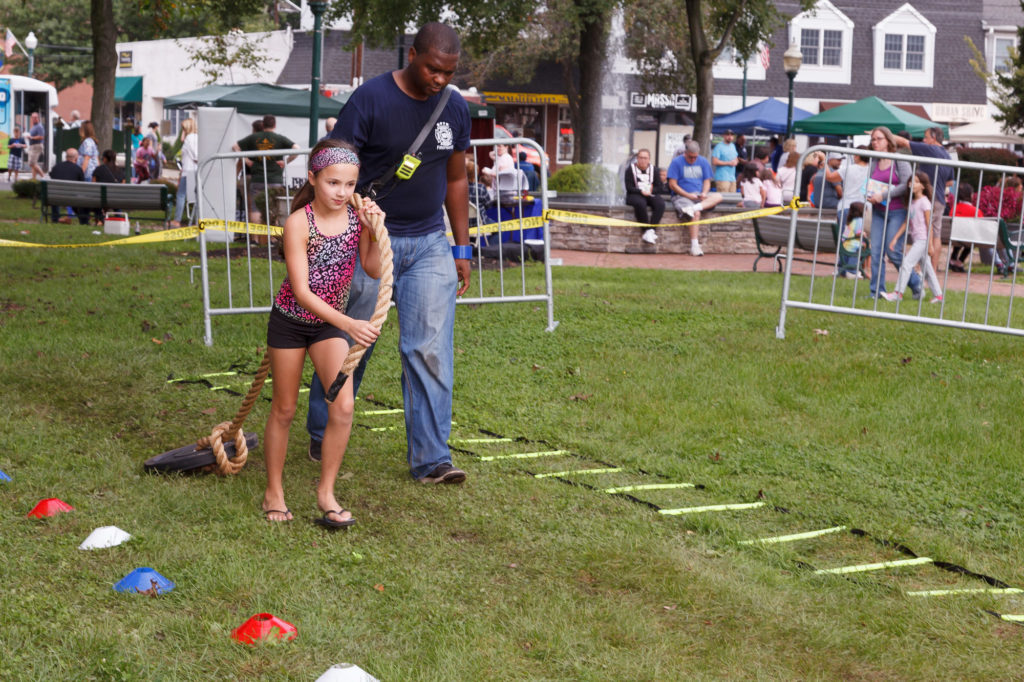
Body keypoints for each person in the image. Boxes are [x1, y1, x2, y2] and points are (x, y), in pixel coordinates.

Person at [310, 21, 472, 485]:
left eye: (449, 72)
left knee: (430, 349)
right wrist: (343, 221)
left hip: (429, 243)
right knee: (350, 344)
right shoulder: (371, 99)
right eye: (433, 68)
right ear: (413, 54)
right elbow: (331, 164)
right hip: (368, 240)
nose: (440, 79)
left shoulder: (454, 108)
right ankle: (322, 431)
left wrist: (461, 245)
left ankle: (432, 459)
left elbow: (456, 178)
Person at [262, 139, 384, 525]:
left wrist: (374, 231)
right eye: (333, 183)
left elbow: (373, 268)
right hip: (291, 322)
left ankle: (326, 492)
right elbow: (301, 291)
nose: (342, 192)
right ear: (313, 178)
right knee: (284, 408)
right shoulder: (299, 223)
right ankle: (274, 492)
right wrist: (349, 323)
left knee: (343, 407)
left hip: (328, 326)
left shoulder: (355, 218)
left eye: (349, 184)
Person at [866, 126, 919, 300]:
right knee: (876, 253)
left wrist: (884, 195)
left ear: (888, 141)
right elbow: (870, 182)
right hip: (878, 211)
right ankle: (876, 292)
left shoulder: (899, 160)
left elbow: (907, 184)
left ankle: (915, 283)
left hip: (897, 212)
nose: (875, 142)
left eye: (879, 139)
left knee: (893, 251)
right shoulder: (873, 161)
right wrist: (869, 194)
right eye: (873, 139)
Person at [893, 127, 954, 273]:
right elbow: (950, 182)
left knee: (922, 232)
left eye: (926, 137)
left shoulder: (929, 149)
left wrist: (884, 134)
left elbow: (904, 142)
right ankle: (932, 269)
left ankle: (921, 269)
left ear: (934, 138)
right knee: (936, 234)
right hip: (940, 199)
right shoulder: (947, 155)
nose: (924, 140)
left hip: (927, 198)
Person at [883, 171, 943, 303]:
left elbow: (929, 225)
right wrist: (895, 239)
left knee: (906, 264)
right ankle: (939, 296)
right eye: (911, 181)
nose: (912, 184)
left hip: (922, 240)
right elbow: (906, 222)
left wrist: (930, 245)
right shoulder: (912, 202)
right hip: (918, 240)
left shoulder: (925, 202)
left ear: (923, 186)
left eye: (916, 181)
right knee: (927, 269)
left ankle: (897, 293)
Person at [232, 114, 299, 224]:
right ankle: (272, 234)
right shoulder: (280, 138)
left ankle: (255, 235)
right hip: (275, 180)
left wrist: (246, 160)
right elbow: (297, 149)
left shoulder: (254, 137)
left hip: (257, 179)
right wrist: (286, 162)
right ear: (275, 125)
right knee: (274, 209)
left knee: (255, 209)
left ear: (263, 124)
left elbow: (235, 146)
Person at [667, 140, 722, 257]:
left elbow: (707, 181)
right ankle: (694, 246)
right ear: (685, 153)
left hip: (698, 196)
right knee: (696, 214)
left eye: (695, 157)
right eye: (690, 157)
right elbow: (672, 185)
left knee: (718, 196)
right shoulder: (676, 162)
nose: (693, 159)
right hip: (681, 196)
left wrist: (704, 193)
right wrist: (688, 195)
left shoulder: (703, 161)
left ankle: (694, 208)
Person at [624, 148, 665, 244]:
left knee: (660, 203)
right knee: (640, 203)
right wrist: (641, 191)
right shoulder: (630, 169)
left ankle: (652, 230)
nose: (643, 160)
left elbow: (659, 187)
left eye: (645, 158)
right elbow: (629, 188)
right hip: (635, 194)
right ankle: (646, 230)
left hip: (649, 193)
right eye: (641, 158)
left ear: (649, 159)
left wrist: (651, 190)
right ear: (637, 158)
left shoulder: (654, 170)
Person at [171, 118, 199, 227]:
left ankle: (177, 220)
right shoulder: (197, 137)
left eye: (183, 128)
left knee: (181, 195)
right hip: (194, 170)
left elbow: (195, 155)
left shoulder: (189, 138)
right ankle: (196, 221)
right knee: (194, 197)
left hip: (188, 171)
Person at [48, 148, 86, 224]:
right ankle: (83, 220)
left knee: (56, 194)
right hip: (72, 198)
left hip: (55, 197)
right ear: (76, 158)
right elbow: (82, 186)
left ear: (66, 157)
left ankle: (55, 218)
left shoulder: (56, 167)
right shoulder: (78, 169)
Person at [836, 146, 871, 226]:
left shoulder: (848, 168)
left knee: (846, 232)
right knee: (862, 233)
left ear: (857, 156)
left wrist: (823, 160)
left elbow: (830, 177)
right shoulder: (872, 170)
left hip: (847, 206)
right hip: (866, 208)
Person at [838, 202, 866, 279]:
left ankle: (842, 271)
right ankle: (852, 272)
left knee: (845, 258)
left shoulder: (850, 221)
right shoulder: (860, 220)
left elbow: (845, 235)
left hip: (845, 245)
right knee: (861, 251)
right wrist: (864, 234)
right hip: (853, 246)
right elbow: (858, 233)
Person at [27, 112, 46, 180]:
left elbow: (41, 137)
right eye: (33, 117)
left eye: (35, 117)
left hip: (37, 146)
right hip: (33, 146)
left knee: (31, 163)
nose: (34, 119)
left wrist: (31, 137)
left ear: (38, 118)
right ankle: (34, 179)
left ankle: (43, 176)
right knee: (33, 163)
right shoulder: (34, 126)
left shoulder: (39, 126)